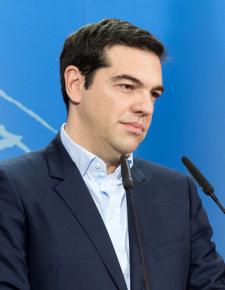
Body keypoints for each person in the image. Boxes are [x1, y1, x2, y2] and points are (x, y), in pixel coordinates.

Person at [0, 18, 224, 290]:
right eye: (128, 86)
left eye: (153, 94)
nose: (146, 107)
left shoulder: (178, 192)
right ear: (75, 84)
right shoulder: (13, 188)